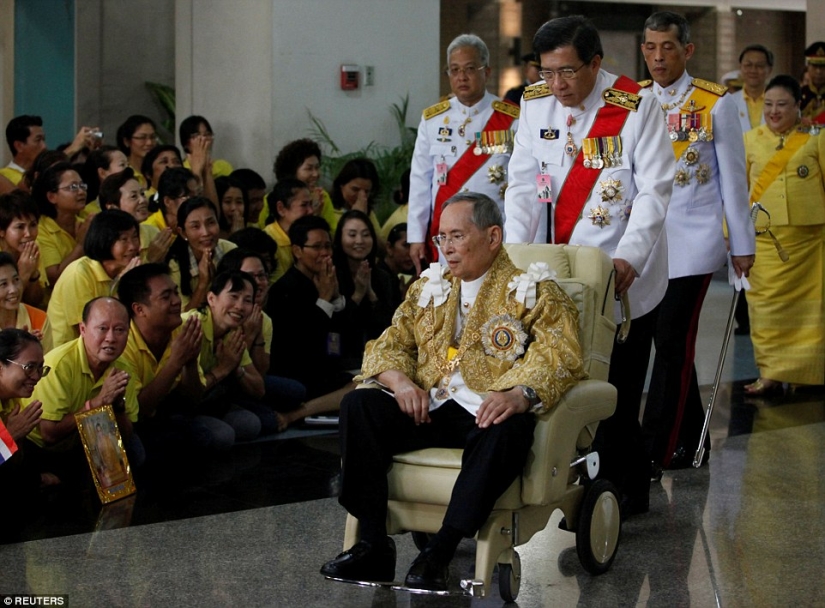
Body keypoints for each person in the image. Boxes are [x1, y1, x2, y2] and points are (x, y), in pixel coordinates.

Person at [319, 192, 584, 590]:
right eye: (441, 237)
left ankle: (440, 550)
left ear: (492, 237)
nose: (446, 248)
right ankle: (373, 544)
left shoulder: (534, 290)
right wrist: (400, 382)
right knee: (359, 404)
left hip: (486, 413)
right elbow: (390, 344)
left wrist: (520, 394)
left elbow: (559, 354)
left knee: (509, 427)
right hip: (431, 406)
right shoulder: (429, 287)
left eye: (457, 236)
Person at [503, 15, 674, 516]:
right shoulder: (535, 104)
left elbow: (654, 190)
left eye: (567, 72)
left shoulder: (636, 106)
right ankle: (587, 482)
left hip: (620, 273)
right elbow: (522, 186)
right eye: (547, 72)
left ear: (595, 63)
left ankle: (626, 491)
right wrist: (514, 255)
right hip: (555, 270)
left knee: (615, 384)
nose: (557, 85)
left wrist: (630, 256)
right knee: (568, 379)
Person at [637, 11, 755, 472]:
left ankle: (657, 448)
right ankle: (689, 439)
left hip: (693, 241)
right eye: (650, 47)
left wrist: (741, 244)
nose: (658, 57)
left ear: (686, 50)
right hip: (646, 244)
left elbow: (734, 180)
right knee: (668, 344)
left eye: (667, 47)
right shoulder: (635, 100)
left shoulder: (714, 102)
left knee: (671, 340)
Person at [408, 34, 519, 273]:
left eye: (469, 69)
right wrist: (416, 236)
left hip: (492, 231)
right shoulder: (433, 119)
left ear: (486, 71)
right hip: (447, 234)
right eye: (455, 70)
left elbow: (521, 183)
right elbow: (420, 181)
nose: (462, 77)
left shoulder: (511, 118)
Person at [743, 75, 825, 393]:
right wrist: (730, 234)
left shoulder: (816, 138)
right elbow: (736, 193)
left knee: (810, 310)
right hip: (764, 242)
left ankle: (808, 374)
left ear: (797, 106)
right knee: (765, 310)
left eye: (782, 105)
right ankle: (770, 373)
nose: (773, 111)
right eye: (768, 104)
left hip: (809, 242)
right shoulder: (749, 140)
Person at [117, 264, 246, 453]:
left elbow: (193, 399)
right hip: (129, 425)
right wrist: (175, 362)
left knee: (218, 435)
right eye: (166, 297)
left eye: (176, 293)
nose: (177, 301)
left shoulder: (182, 328)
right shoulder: (122, 343)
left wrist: (190, 363)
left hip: (168, 412)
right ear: (139, 309)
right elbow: (139, 412)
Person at [24, 297, 140, 479]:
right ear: (83, 329)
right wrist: (98, 403)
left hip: (90, 438)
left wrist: (118, 406)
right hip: (43, 448)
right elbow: (49, 435)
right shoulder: (58, 365)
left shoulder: (123, 368)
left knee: (134, 453)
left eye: (119, 330)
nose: (111, 338)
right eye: (102, 329)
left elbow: (126, 435)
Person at [265, 215, 357, 428]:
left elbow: (346, 339)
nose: (325, 253)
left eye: (328, 246)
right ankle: (296, 414)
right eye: (316, 247)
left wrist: (336, 298)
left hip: (328, 369)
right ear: (297, 251)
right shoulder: (283, 291)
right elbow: (303, 345)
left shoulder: (328, 280)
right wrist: (323, 300)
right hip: (296, 374)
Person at [217, 249, 306, 433]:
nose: (258, 282)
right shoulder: (225, 313)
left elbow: (260, 373)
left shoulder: (263, 318)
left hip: (246, 377)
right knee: (265, 422)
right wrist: (248, 336)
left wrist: (256, 334)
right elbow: (226, 372)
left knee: (297, 391)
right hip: (222, 382)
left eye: (262, 276)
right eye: (250, 276)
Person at [180, 270, 265, 441]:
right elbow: (189, 394)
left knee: (252, 424)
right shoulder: (191, 325)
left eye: (247, 300)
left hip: (210, 402)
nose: (240, 306)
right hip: (178, 405)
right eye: (233, 296)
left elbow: (259, 390)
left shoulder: (232, 331)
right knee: (223, 436)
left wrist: (235, 368)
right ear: (211, 298)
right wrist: (224, 368)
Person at [44, 209, 141, 350]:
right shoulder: (79, 274)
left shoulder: (126, 270)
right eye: (124, 239)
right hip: (69, 352)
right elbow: (89, 334)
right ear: (105, 240)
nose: (132, 246)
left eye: (135, 237)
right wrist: (124, 285)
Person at [0, 329, 50, 535]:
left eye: (40, 368)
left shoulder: (12, 399)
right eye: (29, 367)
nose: (36, 377)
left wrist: (15, 439)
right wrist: (9, 436)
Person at [332, 210, 396, 369]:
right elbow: (334, 327)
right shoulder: (331, 275)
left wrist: (372, 295)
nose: (359, 241)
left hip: (377, 358)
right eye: (352, 235)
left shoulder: (382, 276)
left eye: (366, 235)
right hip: (340, 359)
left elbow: (390, 326)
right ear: (340, 238)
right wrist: (358, 295)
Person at [32, 161, 96, 288]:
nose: (81, 192)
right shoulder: (41, 229)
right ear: (52, 197)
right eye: (73, 187)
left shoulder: (85, 220)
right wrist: (81, 245)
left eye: (82, 185)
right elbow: (55, 278)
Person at [166, 197, 237, 310]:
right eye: (195, 226)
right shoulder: (174, 264)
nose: (205, 232)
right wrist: (203, 283)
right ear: (183, 233)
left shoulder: (231, 250)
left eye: (211, 223)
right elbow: (183, 316)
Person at [99, 169, 173, 263]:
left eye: (142, 194)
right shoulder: (102, 242)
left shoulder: (152, 232)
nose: (143, 200)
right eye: (134, 196)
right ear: (113, 207)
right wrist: (150, 261)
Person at [273, 138, 335, 230]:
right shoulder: (272, 198)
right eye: (309, 169)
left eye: (317, 168)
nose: (316, 174)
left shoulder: (322, 197)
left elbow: (331, 233)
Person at [0, 190, 46, 307]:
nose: (28, 234)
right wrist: (23, 275)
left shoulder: (33, 248)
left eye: (33, 225)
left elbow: (35, 302)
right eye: (20, 227)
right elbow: (6, 306)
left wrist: (33, 274)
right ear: (2, 231)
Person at [263, 178, 313, 283]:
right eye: (304, 205)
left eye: (311, 204)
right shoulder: (267, 240)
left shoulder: (311, 235)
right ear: (281, 208)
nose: (311, 211)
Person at [329, 158, 382, 236]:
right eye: (355, 189)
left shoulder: (367, 211)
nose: (361, 196)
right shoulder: (328, 210)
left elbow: (381, 242)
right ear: (342, 185)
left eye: (366, 191)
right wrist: (356, 216)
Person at [0, 252, 47, 335]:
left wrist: (34, 343)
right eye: (4, 284)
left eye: (16, 280)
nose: (13, 290)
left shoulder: (39, 318)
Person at [143, 166, 200, 233]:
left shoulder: (197, 221)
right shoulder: (148, 230)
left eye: (197, 196)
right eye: (189, 197)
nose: (196, 202)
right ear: (167, 201)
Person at [731, 45, 774, 134]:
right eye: (748, 65)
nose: (753, 70)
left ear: (769, 70)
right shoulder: (729, 102)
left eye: (760, 66)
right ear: (740, 67)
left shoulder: (782, 102)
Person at [80, 145, 129, 217]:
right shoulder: (88, 212)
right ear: (102, 173)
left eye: (128, 164)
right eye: (122, 164)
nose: (129, 169)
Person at [378, 222, 416, 308]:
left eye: (414, 246)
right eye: (406, 245)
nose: (412, 252)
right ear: (389, 248)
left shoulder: (392, 277)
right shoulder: (381, 279)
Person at [1, 116, 47, 187]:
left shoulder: (44, 173)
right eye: (38, 140)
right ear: (19, 146)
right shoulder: (5, 176)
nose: (44, 146)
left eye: (43, 140)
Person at [116, 115, 158, 187]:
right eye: (142, 137)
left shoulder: (159, 170)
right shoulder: (121, 172)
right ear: (126, 141)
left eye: (152, 137)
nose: (149, 143)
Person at [800, 41, 825, 123]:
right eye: (814, 66)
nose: (819, 71)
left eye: (823, 67)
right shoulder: (798, 94)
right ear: (808, 68)